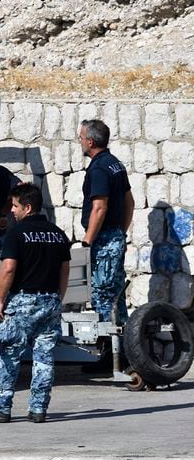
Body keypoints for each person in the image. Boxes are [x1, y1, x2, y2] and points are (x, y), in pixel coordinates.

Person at [0, 183, 71, 423]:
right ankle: (38, 409)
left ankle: (0, 407)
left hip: (22, 302)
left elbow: (8, 268)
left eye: (15, 206)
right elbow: (64, 269)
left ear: (28, 208)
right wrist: (57, 297)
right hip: (50, 301)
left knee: (9, 354)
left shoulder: (15, 235)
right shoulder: (57, 233)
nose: (12, 212)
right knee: (44, 358)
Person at [79, 119, 134, 323]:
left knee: (102, 293)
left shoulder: (99, 169)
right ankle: (125, 346)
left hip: (103, 240)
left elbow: (99, 208)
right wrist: (120, 233)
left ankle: (109, 350)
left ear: (91, 142)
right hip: (115, 236)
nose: (80, 141)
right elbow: (130, 203)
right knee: (116, 295)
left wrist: (87, 241)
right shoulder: (115, 164)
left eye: (82, 138)